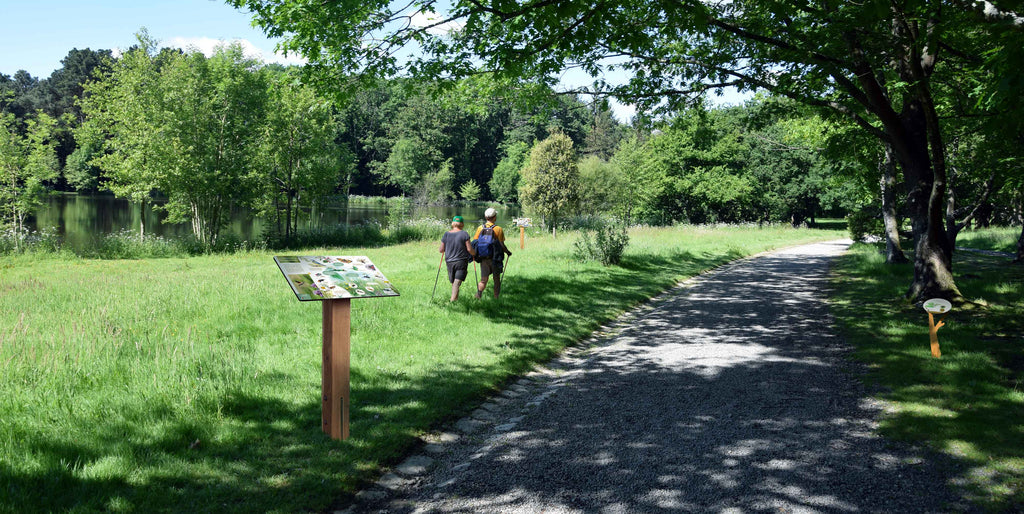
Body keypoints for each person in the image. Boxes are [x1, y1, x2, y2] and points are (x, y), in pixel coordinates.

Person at [473, 207, 512, 299]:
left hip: (483, 257)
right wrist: (508, 252)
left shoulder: (480, 228)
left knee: (483, 279)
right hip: (495, 258)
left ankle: (478, 295)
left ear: (486, 217)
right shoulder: (498, 229)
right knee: (496, 279)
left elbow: (475, 242)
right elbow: (502, 245)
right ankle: (496, 297)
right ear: (494, 217)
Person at [439, 215, 475, 301]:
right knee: (456, 282)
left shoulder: (446, 234)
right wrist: (475, 253)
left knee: (454, 282)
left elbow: (441, 250)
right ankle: (452, 301)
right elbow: (469, 249)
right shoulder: (464, 234)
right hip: (461, 261)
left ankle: (455, 300)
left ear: (453, 224)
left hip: (449, 261)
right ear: (462, 224)